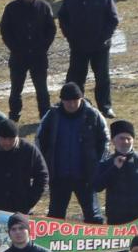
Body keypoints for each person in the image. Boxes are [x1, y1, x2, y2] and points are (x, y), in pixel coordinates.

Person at [36, 83, 109, 221]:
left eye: (75, 100)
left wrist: (98, 166)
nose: (71, 104)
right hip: (59, 176)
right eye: (67, 101)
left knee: (93, 216)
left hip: (85, 176)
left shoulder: (93, 115)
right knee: (55, 215)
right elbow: (40, 140)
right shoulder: (52, 115)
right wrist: (45, 166)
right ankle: (54, 240)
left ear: (81, 98)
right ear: (62, 100)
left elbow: (105, 141)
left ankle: (95, 241)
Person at [1, 0, 58, 122]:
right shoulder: (11, 8)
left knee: (42, 90)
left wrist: (43, 47)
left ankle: (45, 117)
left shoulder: (44, 7)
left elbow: (51, 29)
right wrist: (15, 48)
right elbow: (5, 31)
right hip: (18, 57)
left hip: (38, 57)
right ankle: (14, 117)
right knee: (16, 90)